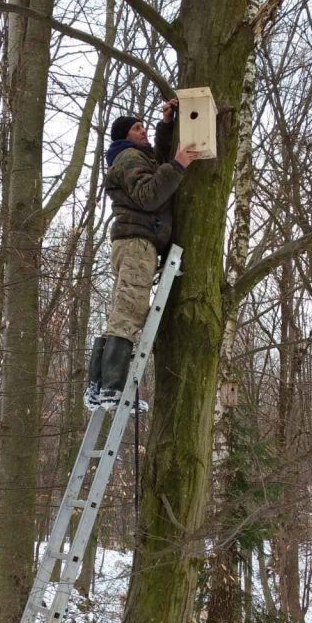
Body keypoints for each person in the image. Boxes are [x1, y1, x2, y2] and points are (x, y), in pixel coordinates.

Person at [84, 99, 198, 411]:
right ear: (124, 136)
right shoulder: (128, 157)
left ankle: (98, 387)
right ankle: (112, 388)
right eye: (138, 128)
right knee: (130, 310)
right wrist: (178, 166)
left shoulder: (134, 157)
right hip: (136, 242)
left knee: (123, 309)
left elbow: (157, 162)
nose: (143, 130)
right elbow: (150, 194)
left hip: (134, 242)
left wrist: (167, 124)